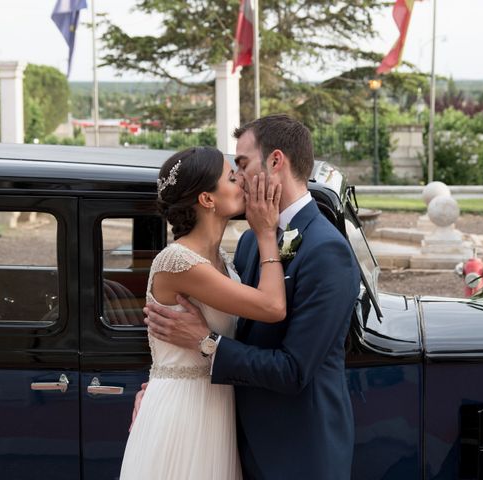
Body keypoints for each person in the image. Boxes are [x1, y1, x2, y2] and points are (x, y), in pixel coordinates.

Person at [143, 114, 361, 479]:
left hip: (297, 452)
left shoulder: (327, 250)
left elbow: (294, 370)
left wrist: (204, 342)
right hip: (231, 440)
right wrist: (164, 382)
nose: (238, 177)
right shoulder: (248, 242)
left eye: (241, 165)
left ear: (276, 161)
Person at [119, 146, 285, 480]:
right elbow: (273, 307)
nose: (242, 182)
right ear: (207, 199)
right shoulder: (179, 262)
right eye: (231, 177)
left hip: (215, 404)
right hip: (184, 410)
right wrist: (267, 233)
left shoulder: (219, 258)